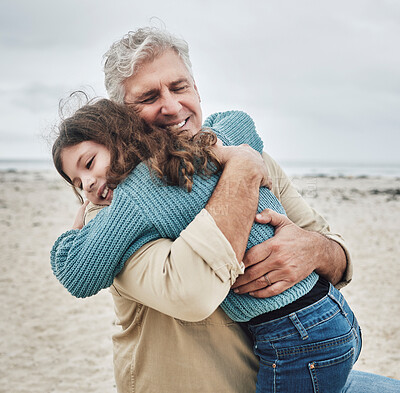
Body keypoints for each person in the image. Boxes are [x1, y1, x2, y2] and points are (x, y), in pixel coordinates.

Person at [56, 27, 399, 392]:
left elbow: (337, 253)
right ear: (121, 120)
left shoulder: (242, 150)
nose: (172, 107)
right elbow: (193, 292)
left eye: (179, 87)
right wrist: (241, 170)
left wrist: (312, 250)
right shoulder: (115, 213)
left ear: (197, 89)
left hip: (307, 349)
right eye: (149, 97)